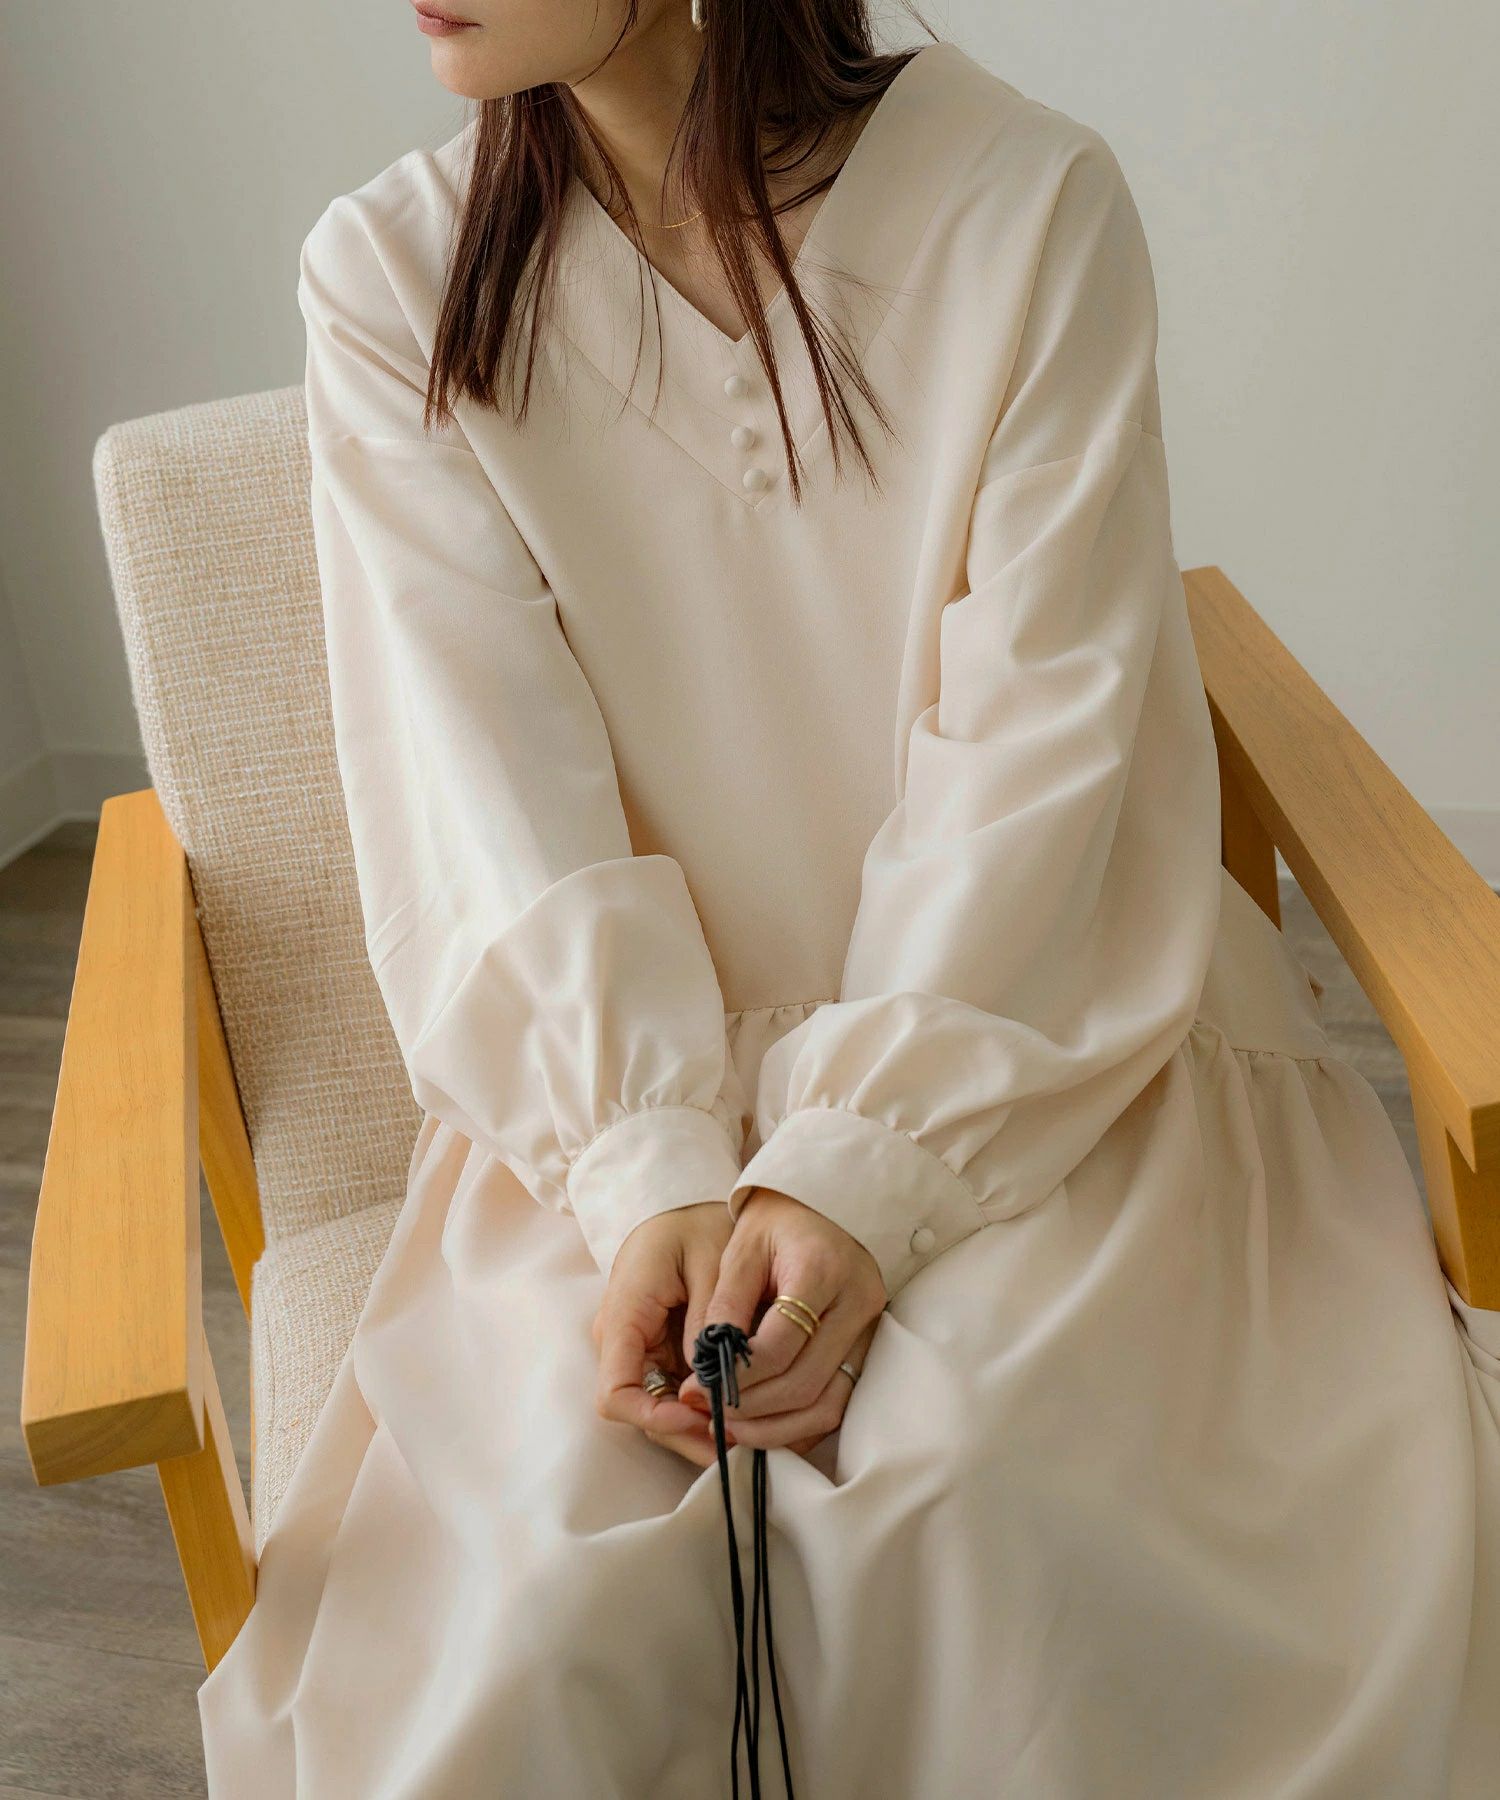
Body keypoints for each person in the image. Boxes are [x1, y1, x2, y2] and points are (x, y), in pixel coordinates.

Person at [197, 4, 1500, 1794]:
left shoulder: (1026, 205)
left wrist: (861, 1168)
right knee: (543, 1629)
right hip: (617, 1109)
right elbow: (485, 789)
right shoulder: (390, 278)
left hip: (1038, 1036)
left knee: (992, 1516)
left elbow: (1040, 749)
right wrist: (649, 1166)